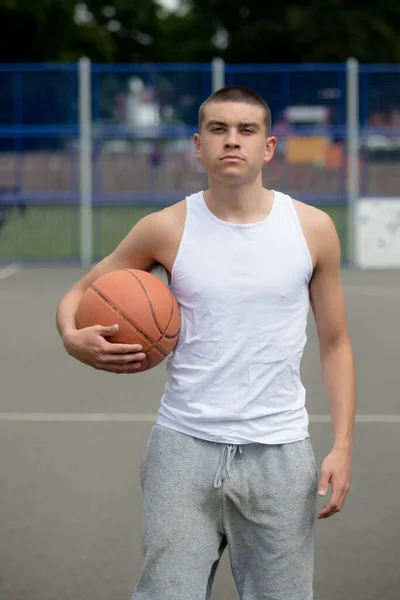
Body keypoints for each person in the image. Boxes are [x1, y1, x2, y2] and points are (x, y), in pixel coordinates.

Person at [56, 86, 356, 600]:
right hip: (182, 446)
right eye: (218, 130)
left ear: (269, 147)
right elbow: (80, 292)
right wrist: (71, 337)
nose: (231, 141)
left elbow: (335, 344)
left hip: (280, 453)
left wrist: (344, 446)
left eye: (246, 130)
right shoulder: (166, 228)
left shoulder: (313, 229)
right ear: (198, 145)